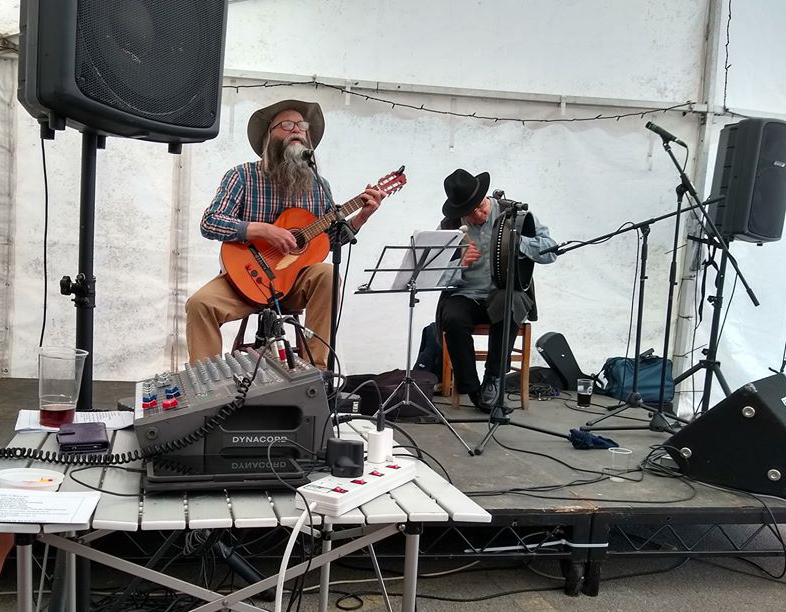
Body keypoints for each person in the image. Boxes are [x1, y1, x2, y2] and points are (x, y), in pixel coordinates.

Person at [186, 99, 384, 368]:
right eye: (287, 125)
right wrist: (262, 230)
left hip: (292, 284)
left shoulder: (318, 186)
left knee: (328, 274)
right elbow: (210, 223)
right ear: (270, 135)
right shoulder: (242, 176)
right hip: (243, 282)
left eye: (302, 126)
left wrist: (361, 216)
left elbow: (328, 242)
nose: (297, 131)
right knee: (199, 305)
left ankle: (315, 372)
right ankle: (206, 385)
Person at [437, 168, 557, 412]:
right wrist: (459, 264)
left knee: (509, 302)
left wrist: (519, 242)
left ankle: (493, 379)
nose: (480, 215)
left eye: (482, 207)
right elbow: (436, 275)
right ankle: (473, 389)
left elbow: (551, 250)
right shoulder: (448, 226)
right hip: (466, 293)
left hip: (504, 292)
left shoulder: (515, 214)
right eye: (471, 214)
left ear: (485, 197)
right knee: (453, 318)